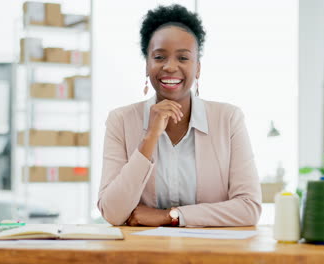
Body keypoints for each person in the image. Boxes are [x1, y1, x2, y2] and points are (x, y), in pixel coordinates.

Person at [97, 4, 261, 227]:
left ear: (198, 68)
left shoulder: (229, 119)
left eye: (183, 58)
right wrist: (150, 137)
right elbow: (112, 212)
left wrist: (172, 216)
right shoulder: (121, 120)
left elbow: (249, 208)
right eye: (159, 57)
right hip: (142, 255)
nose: (170, 67)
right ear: (147, 65)